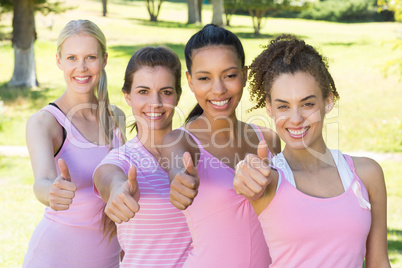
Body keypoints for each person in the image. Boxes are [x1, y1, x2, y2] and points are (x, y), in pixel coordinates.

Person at [233, 34, 391, 267]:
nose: (295, 119)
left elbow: (378, 262)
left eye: (307, 104)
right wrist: (242, 171)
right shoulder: (267, 179)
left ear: (328, 101)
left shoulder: (367, 175)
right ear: (269, 108)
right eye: (283, 106)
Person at [161, 24, 281, 267]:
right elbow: (176, 168)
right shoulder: (180, 140)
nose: (218, 89)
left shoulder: (269, 140)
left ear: (245, 75)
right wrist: (179, 181)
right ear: (190, 81)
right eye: (204, 78)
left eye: (229, 75)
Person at [23, 20, 125, 268]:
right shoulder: (45, 122)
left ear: (104, 60)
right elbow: (42, 182)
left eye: (90, 57)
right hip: (55, 257)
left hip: (108, 258)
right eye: (72, 58)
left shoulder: (116, 117)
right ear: (59, 61)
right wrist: (52, 192)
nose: (81, 67)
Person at [93, 46, 192, 267]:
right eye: (143, 91)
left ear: (177, 96)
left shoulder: (198, 152)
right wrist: (118, 190)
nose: (155, 102)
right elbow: (107, 177)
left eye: (166, 92)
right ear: (127, 96)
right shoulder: (122, 159)